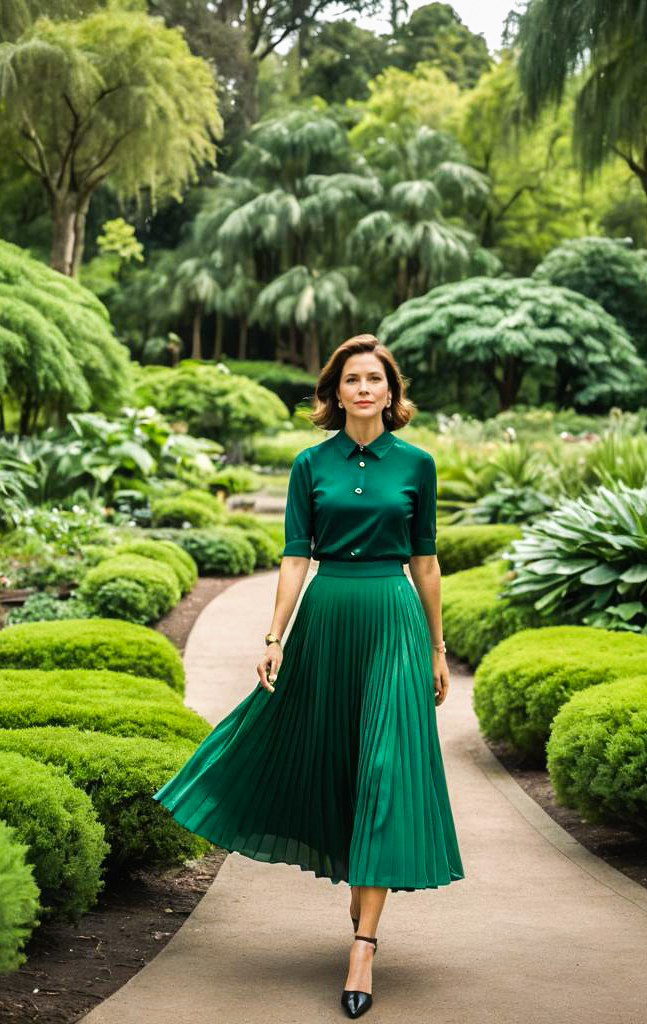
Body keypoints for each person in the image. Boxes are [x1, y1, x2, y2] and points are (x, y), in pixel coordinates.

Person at [152, 333, 465, 1019]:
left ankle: (364, 944)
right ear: (335, 391)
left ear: (391, 391)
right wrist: (275, 637)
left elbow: (427, 563)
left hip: (393, 622)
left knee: (385, 768)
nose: (362, 389)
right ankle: (362, 902)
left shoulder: (416, 465)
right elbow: (296, 557)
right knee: (341, 766)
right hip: (326, 619)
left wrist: (438, 649)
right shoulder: (309, 465)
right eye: (351, 378)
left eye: (373, 379)